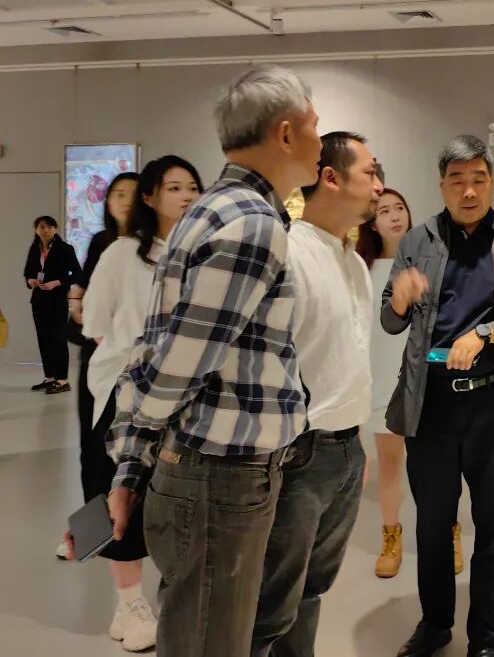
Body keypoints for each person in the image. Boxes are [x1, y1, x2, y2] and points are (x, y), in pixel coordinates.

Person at [107, 65, 322, 657]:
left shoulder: (213, 210)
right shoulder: (251, 223)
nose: (319, 139)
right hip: (219, 475)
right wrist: (135, 454)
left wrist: (131, 463)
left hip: (209, 469)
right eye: (313, 125)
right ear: (285, 133)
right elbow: (176, 365)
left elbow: (156, 346)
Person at [382, 135, 494, 657]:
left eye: (478, 179)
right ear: (442, 186)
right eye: (457, 180)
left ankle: (485, 639)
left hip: (493, 403)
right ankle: (435, 624)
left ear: (491, 183)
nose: (468, 190)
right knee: (433, 524)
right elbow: (389, 319)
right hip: (429, 403)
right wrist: (399, 302)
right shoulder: (419, 239)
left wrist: (486, 334)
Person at [251, 132, 382, 657]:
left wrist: (355, 447)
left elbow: (346, 360)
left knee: (311, 587)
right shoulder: (289, 253)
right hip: (299, 452)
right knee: (273, 598)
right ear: (331, 177)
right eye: (370, 172)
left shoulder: (353, 261)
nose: (379, 186)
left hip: (345, 447)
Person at [72, 155, 203, 651]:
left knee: (171, 495)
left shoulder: (201, 251)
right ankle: (128, 604)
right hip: (126, 387)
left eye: (192, 187)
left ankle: (168, 597)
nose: (186, 196)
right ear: (150, 197)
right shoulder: (123, 252)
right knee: (116, 488)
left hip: (186, 391)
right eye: (174, 187)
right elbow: (93, 323)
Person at [360, 188, 467, 580]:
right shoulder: (362, 268)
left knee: (439, 466)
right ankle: (391, 536)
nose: (393, 216)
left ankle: (448, 532)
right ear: (373, 223)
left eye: (399, 208)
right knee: (389, 463)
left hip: (427, 377)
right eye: (383, 210)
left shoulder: (432, 259)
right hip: (381, 378)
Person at [62, 171, 138, 560]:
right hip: (99, 362)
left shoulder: (154, 248)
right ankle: (89, 534)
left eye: (133, 193)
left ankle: (129, 536)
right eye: (118, 194)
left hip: (136, 364)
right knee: (93, 450)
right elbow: (81, 304)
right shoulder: (101, 243)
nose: (125, 200)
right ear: (107, 203)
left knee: (130, 456)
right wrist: (81, 313)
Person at [22, 215, 82, 394]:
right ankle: (50, 377)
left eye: (49, 227)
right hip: (38, 300)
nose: (46, 230)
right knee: (43, 339)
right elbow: (28, 272)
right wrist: (31, 281)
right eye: (42, 227)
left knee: (58, 339)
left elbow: (77, 274)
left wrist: (56, 283)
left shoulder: (65, 249)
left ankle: (62, 380)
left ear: (56, 229)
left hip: (57, 299)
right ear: (36, 230)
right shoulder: (34, 248)